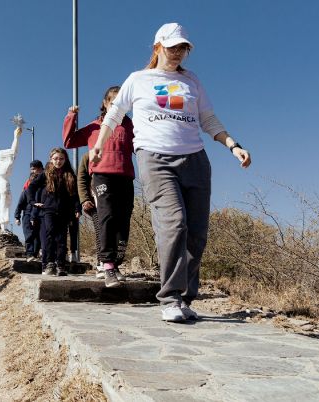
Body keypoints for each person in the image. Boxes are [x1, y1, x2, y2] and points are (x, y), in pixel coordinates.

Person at [91, 22, 251, 322]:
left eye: (183, 48)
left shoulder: (192, 81)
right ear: (157, 47)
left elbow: (208, 119)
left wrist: (233, 145)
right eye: (172, 47)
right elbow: (115, 113)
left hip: (195, 159)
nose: (177, 53)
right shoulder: (138, 80)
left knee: (196, 233)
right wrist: (100, 144)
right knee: (174, 223)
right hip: (155, 157)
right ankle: (170, 297)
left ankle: (185, 298)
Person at [63, 86, 135, 288]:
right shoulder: (95, 127)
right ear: (105, 103)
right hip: (103, 176)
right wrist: (71, 117)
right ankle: (107, 264)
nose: (117, 106)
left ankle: (116, 264)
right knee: (107, 218)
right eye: (113, 102)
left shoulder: (130, 126)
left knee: (123, 221)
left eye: (122, 103)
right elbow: (69, 142)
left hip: (126, 177)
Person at [31, 148, 79, 277]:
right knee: (50, 235)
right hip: (49, 210)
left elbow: (74, 195)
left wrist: (77, 209)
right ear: (51, 159)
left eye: (61, 158)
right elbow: (32, 187)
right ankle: (50, 263)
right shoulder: (45, 174)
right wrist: (33, 202)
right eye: (56, 158)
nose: (58, 161)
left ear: (65, 159)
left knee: (61, 238)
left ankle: (61, 266)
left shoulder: (70, 175)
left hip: (64, 211)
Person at [0, 126, 22, 232]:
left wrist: (16, 137)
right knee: (4, 206)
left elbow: (13, 151)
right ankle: (2, 227)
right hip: (2, 184)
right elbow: (14, 151)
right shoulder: (6, 163)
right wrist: (16, 137)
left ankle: (0, 226)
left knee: (0, 207)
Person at [14, 160, 44, 262]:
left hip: (38, 215)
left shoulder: (41, 191)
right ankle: (29, 254)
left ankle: (35, 254)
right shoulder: (26, 191)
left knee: (37, 236)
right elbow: (19, 204)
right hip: (27, 215)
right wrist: (17, 217)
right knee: (29, 235)